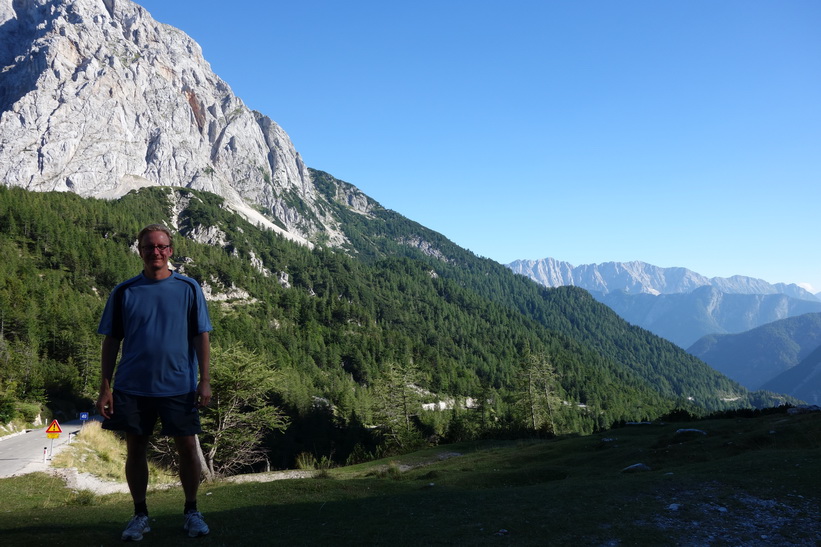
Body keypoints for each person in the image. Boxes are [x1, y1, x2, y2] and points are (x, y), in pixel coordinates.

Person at [96, 224, 213, 541]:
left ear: (170, 251)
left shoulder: (188, 288)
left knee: (188, 448)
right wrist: (105, 387)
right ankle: (140, 515)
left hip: (179, 385)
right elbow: (111, 341)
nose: (156, 252)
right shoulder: (124, 291)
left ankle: (191, 510)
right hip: (132, 386)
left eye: (162, 247)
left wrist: (205, 380)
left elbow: (201, 335)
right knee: (135, 449)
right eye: (149, 247)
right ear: (140, 250)